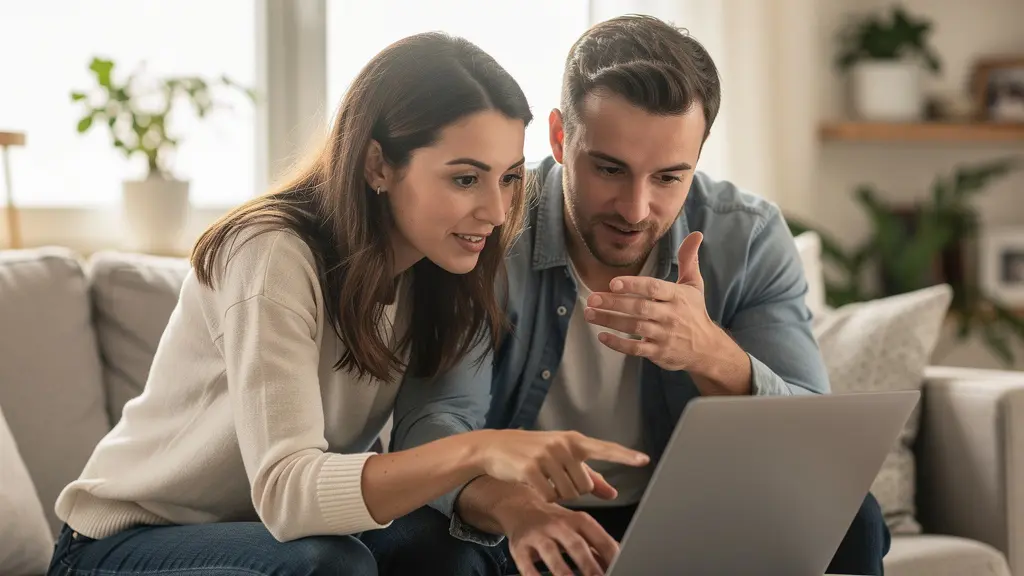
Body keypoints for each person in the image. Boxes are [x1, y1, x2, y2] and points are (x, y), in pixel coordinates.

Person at [46, 32, 651, 576]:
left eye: (510, 178)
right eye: (465, 178)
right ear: (377, 165)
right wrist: (479, 447)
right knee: (327, 565)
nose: (495, 213)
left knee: (460, 549)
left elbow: (408, 457)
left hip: (264, 539)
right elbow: (286, 494)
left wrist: (514, 507)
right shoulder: (271, 252)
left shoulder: (443, 269)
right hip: (125, 544)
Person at [367, 15, 892, 576]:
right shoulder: (487, 229)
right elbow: (437, 422)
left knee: (851, 517)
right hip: (514, 514)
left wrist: (710, 353)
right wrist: (519, 511)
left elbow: (814, 451)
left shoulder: (749, 237)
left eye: (668, 177)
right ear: (560, 137)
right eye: (610, 169)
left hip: (684, 516)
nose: (636, 209)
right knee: (427, 547)